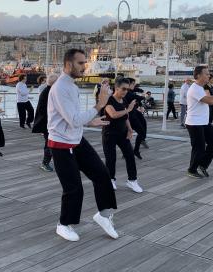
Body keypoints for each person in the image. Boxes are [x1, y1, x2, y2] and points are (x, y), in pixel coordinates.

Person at [48, 49, 118, 242]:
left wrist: (89, 121)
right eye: (80, 63)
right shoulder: (61, 87)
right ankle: (63, 225)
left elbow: (72, 118)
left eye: (85, 62)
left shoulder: (71, 86)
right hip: (61, 144)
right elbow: (72, 119)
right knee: (74, 188)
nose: (84, 66)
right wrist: (99, 105)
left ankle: (103, 215)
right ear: (69, 64)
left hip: (76, 140)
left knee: (102, 174)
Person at [102, 77, 142, 193]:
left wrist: (130, 129)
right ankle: (111, 179)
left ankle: (132, 180)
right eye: (123, 89)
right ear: (116, 88)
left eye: (127, 89)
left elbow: (125, 117)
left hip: (122, 133)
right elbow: (113, 115)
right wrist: (128, 109)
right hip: (109, 134)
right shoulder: (109, 100)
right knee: (111, 158)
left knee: (130, 156)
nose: (125, 91)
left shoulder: (123, 101)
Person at [185, 66, 213, 179]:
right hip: (194, 123)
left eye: (209, 73)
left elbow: (209, 99)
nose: (209, 75)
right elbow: (210, 101)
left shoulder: (200, 88)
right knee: (199, 148)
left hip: (204, 122)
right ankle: (192, 170)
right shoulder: (195, 88)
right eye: (206, 73)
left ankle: (203, 164)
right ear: (198, 75)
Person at [32, 73, 58, 172]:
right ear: (54, 83)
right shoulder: (48, 92)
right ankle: (45, 163)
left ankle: (50, 161)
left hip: (49, 123)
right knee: (49, 143)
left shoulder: (49, 91)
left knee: (51, 143)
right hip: (47, 123)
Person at [125, 80, 148, 159]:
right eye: (133, 84)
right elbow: (137, 97)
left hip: (134, 111)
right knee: (139, 132)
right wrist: (144, 96)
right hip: (130, 115)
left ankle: (135, 148)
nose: (134, 86)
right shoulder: (127, 93)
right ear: (129, 84)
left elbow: (135, 90)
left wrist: (141, 90)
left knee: (143, 122)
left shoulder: (129, 90)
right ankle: (135, 150)